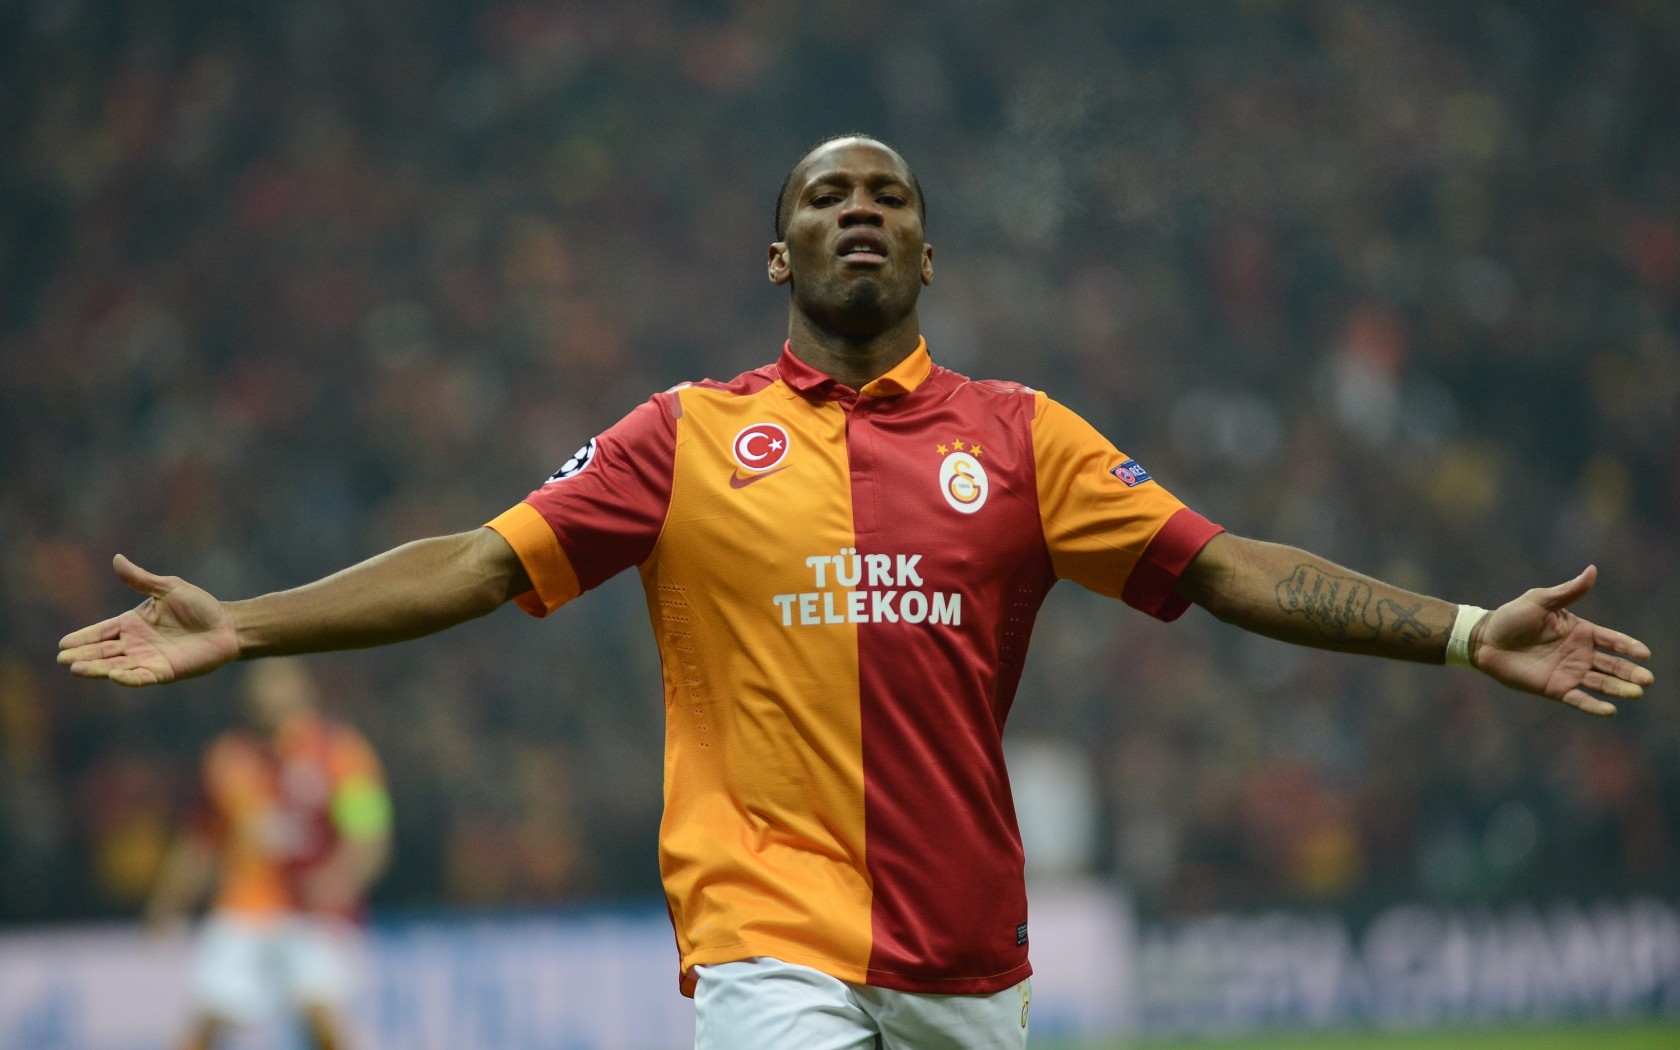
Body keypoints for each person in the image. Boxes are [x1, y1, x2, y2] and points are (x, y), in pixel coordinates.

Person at [61, 136, 1653, 1050]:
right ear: (778, 257)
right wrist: (248, 621)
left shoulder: (1024, 438)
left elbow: (1227, 565)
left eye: (887, 193)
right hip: (765, 930)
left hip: (969, 950)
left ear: (930, 253)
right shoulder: (683, 437)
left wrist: (1463, 630)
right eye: (824, 197)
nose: (859, 210)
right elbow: (481, 560)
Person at [143, 659, 392, 1050]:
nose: (268, 697)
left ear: (303, 690)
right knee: (205, 1025)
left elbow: (369, 832)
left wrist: (340, 880)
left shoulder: (340, 752)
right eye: (260, 688)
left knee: (324, 1021)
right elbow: (200, 841)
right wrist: (168, 902)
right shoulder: (227, 757)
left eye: (278, 686)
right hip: (246, 908)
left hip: (314, 913)